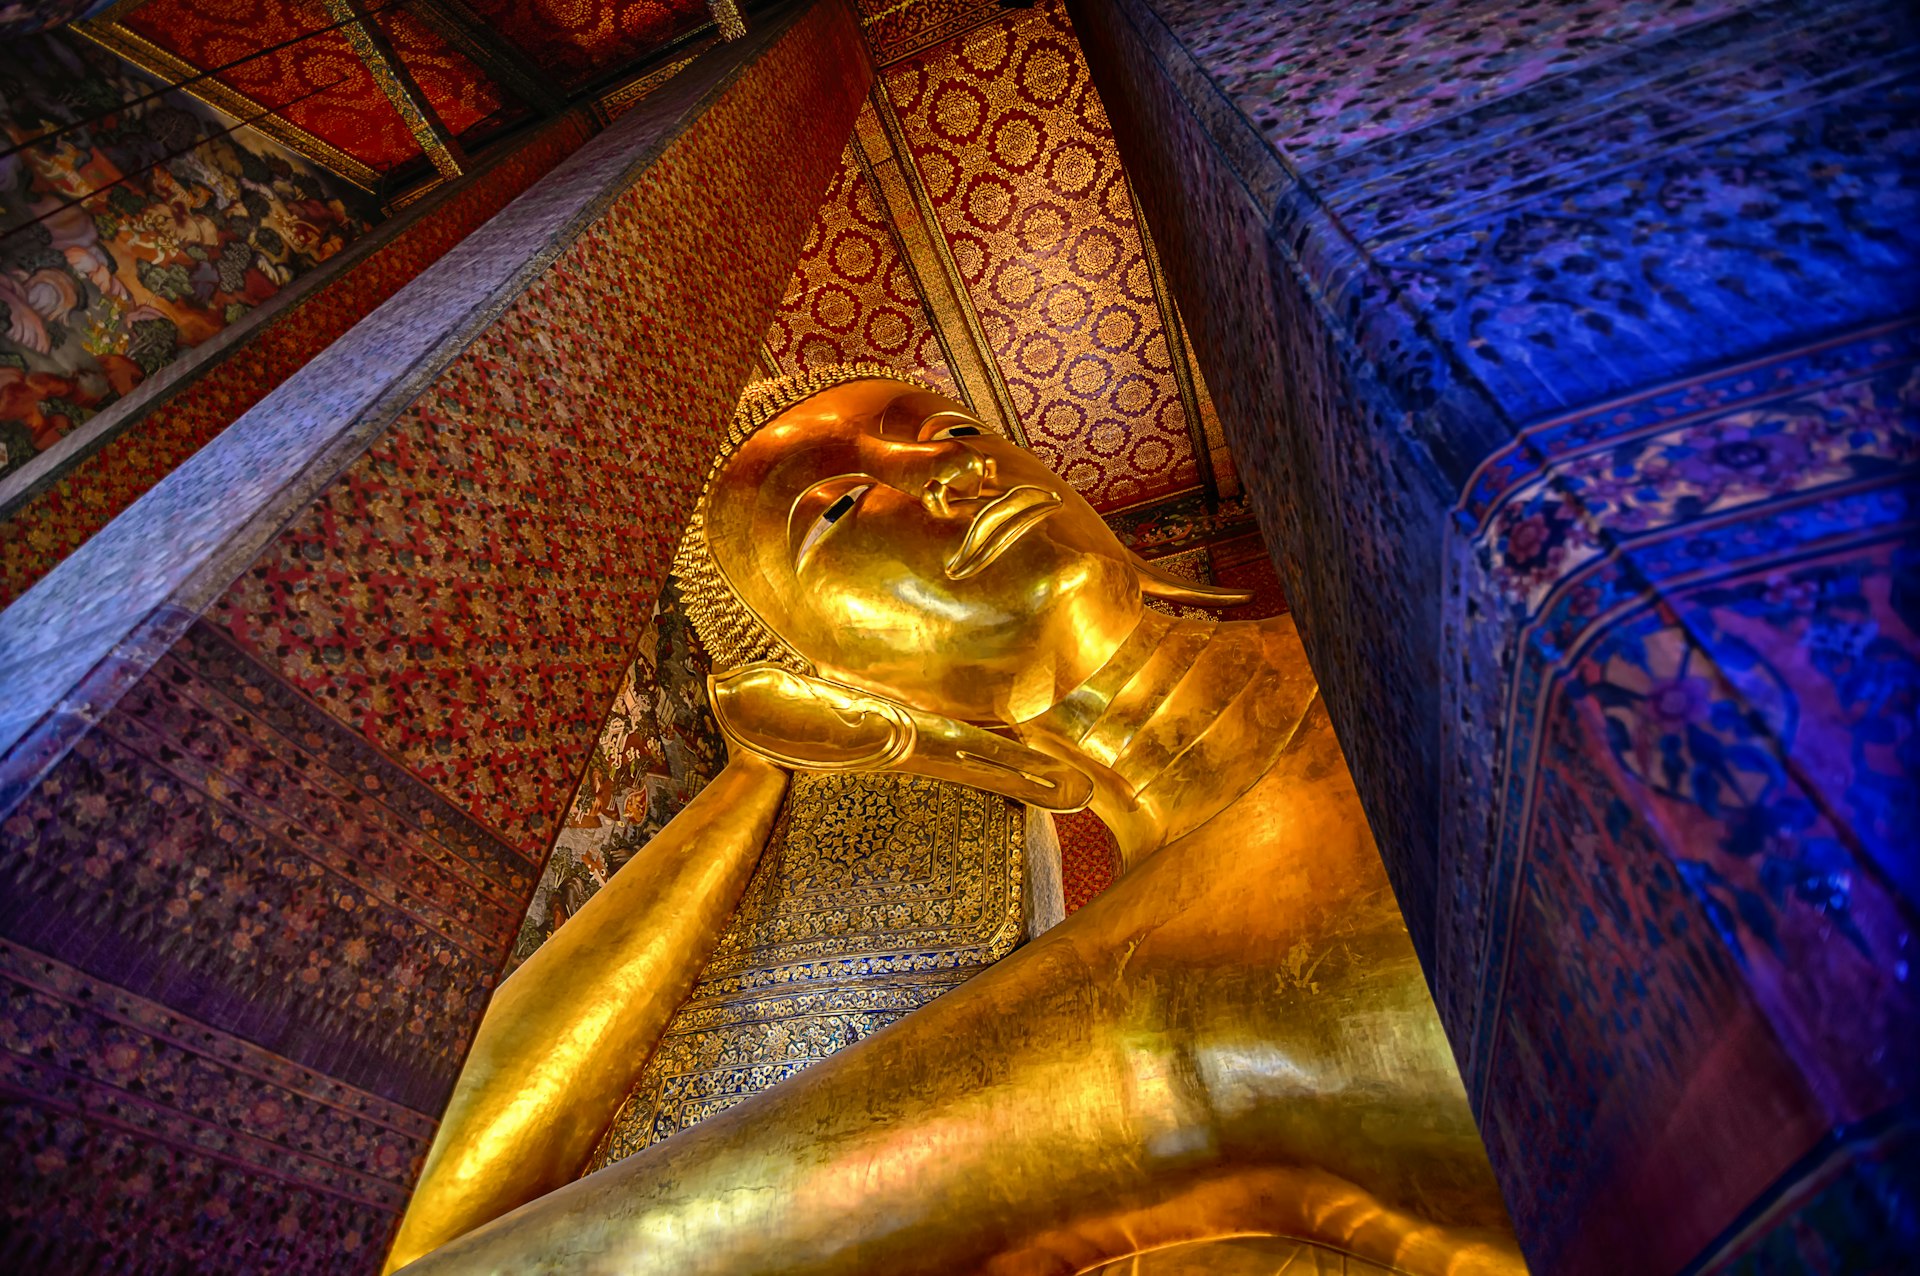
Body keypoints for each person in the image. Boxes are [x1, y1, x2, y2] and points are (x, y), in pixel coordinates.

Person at [386, 366, 1524, 1275]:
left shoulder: (1423, 574)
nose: (943, 472)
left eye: (949, 429)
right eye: (835, 509)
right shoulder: (1135, 1013)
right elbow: (423, 1243)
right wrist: (748, 787)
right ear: (845, 686)